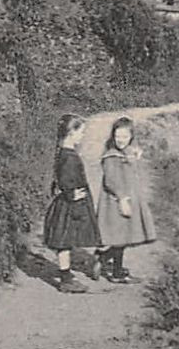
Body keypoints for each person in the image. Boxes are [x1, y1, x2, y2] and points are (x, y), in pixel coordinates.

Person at [43, 114, 102, 294]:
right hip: (70, 204)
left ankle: (66, 276)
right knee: (64, 241)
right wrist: (71, 193)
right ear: (71, 132)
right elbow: (65, 179)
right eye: (81, 132)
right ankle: (66, 279)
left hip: (67, 202)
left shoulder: (64, 152)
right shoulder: (69, 156)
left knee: (65, 241)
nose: (82, 136)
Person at [95, 117, 156, 284]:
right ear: (112, 137)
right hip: (117, 201)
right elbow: (110, 181)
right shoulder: (110, 156)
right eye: (117, 136)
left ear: (131, 136)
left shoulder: (126, 153)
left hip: (127, 199)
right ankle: (110, 265)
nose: (120, 140)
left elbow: (131, 170)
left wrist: (133, 157)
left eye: (124, 136)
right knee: (121, 238)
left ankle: (109, 262)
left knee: (123, 237)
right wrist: (122, 198)